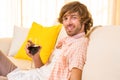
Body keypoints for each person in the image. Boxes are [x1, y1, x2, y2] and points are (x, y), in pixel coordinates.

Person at [0, 1, 93, 80]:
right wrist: (35, 56)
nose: (68, 22)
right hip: (30, 75)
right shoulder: (66, 40)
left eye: (74, 17)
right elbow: (44, 71)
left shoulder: (79, 44)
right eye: (65, 18)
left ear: (84, 20)